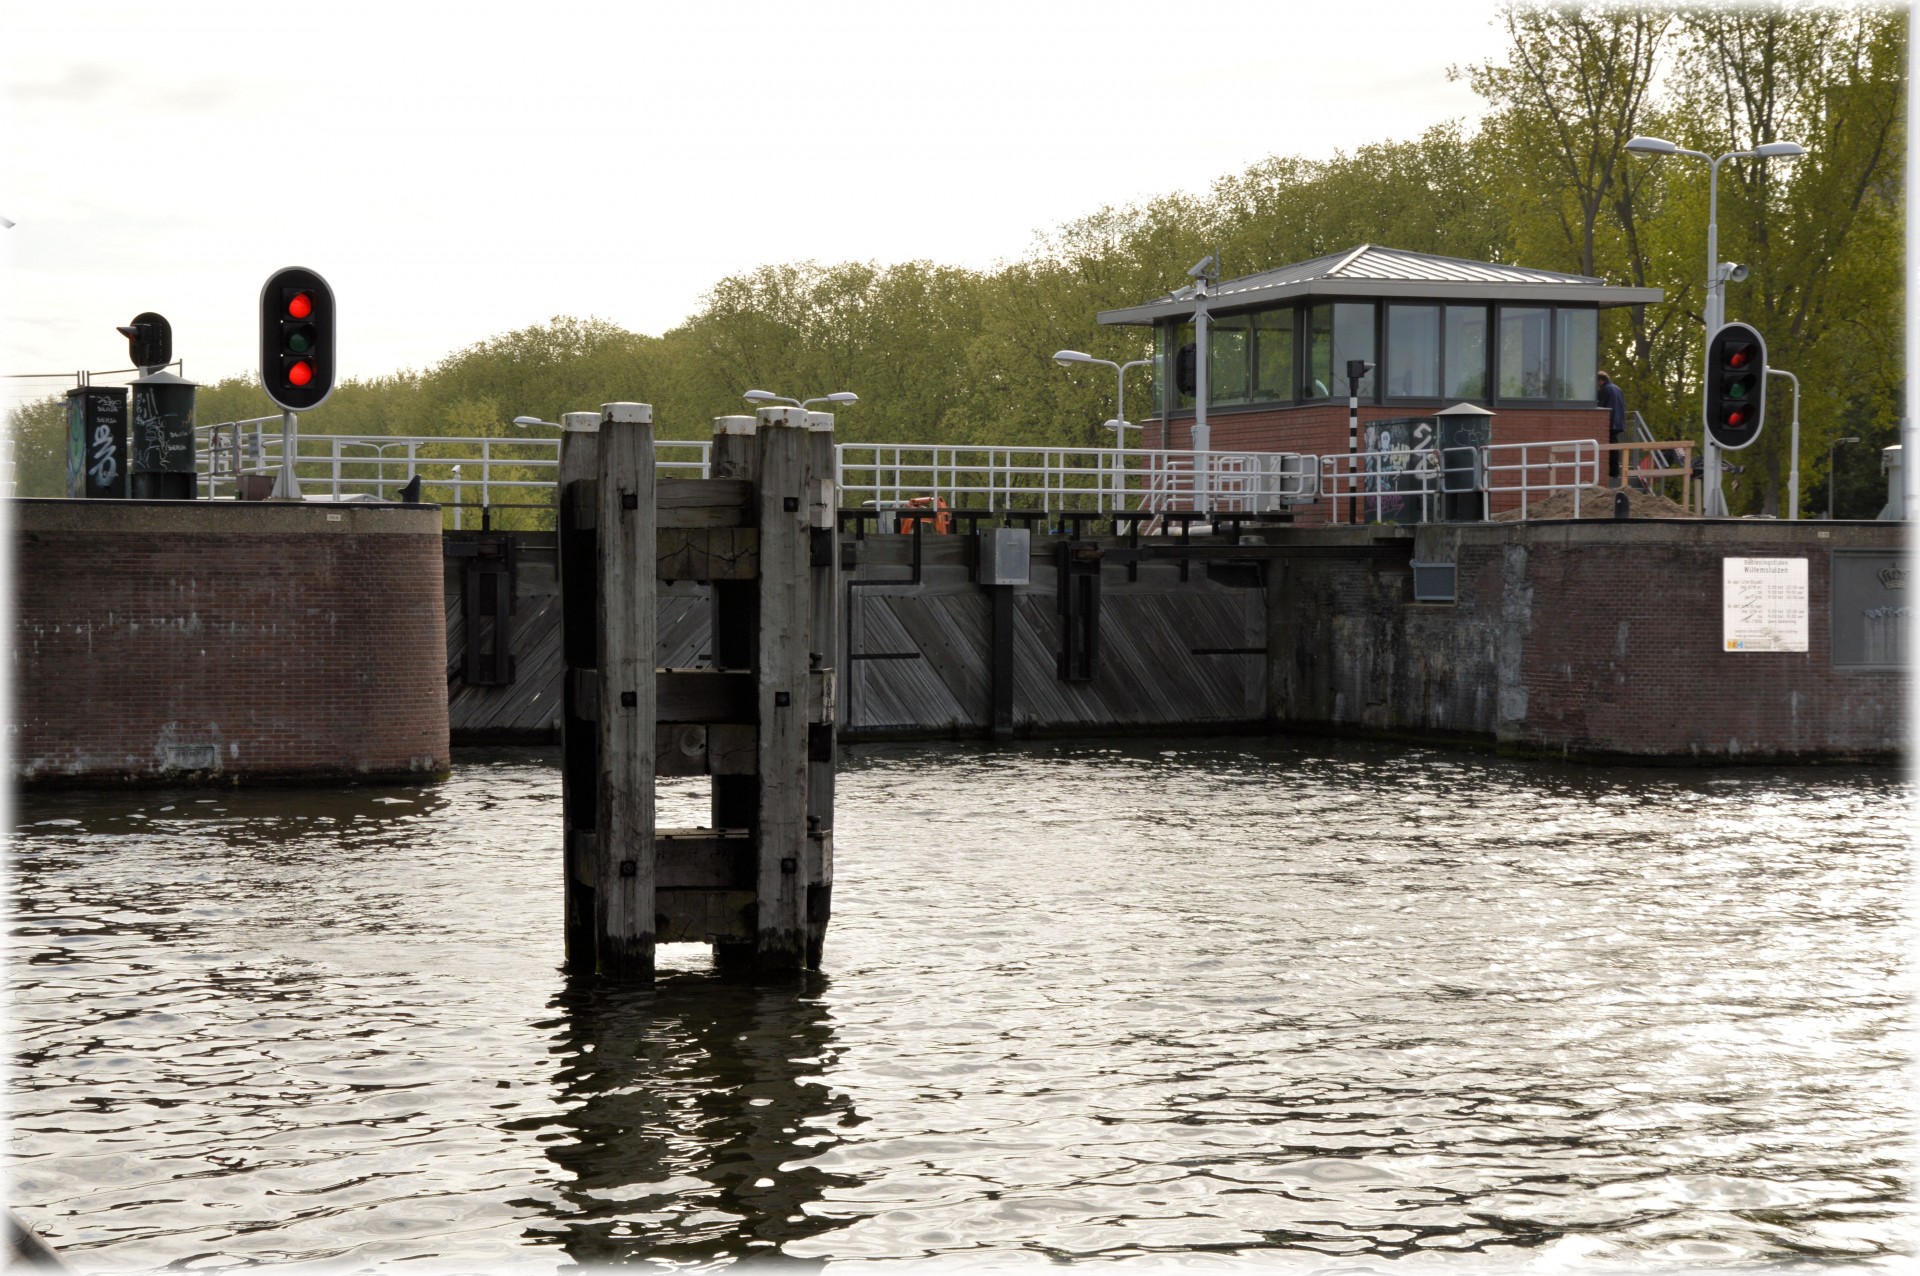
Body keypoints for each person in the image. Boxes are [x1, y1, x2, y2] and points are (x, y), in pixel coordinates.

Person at [1597, 371, 1627, 485]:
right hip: (1618, 422)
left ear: (1601, 380)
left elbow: (1600, 406)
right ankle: (1615, 469)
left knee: (1611, 447)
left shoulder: (1605, 390)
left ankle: (1613, 470)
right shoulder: (1617, 389)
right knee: (1614, 445)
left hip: (1610, 422)